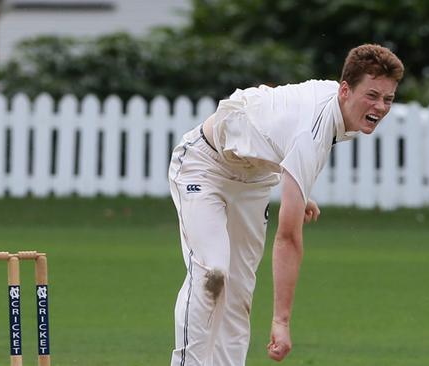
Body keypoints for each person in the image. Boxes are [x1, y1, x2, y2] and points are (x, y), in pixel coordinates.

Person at [168, 44, 404, 365]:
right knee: (213, 272)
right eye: (373, 95)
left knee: (238, 294)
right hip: (204, 164)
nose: (380, 106)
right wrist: (281, 323)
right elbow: (289, 237)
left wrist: (298, 187)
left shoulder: (336, 102)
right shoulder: (315, 130)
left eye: (388, 99)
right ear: (345, 90)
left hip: (255, 179)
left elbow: (275, 114)